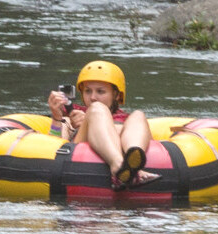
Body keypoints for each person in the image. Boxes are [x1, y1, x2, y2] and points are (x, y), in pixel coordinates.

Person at [45, 59, 151, 187]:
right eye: (88, 91)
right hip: (78, 152)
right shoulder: (70, 118)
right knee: (97, 108)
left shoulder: (127, 119)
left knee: (139, 114)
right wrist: (57, 118)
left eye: (100, 91)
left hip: (124, 137)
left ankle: (134, 166)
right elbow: (52, 150)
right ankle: (118, 166)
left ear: (116, 95)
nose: (93, 97)